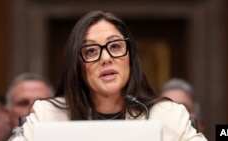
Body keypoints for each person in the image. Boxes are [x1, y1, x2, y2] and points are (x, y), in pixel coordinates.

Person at [17, 11, 207, 141]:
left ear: (130, 57)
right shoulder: (47, 115)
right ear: (77, 65)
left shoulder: (169, 115)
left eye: (115, 46)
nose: (106, 58)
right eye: (91, 51)